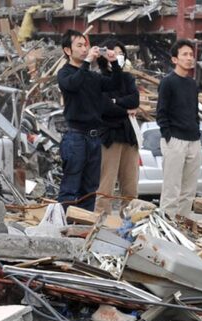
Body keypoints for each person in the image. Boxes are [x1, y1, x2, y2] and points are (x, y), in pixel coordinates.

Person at [57, 29, 121, 211]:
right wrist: (86, 63)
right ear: (67, 50)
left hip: (94, 137)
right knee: (71, 187)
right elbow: (74, 84)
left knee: (90, 189)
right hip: (75, 137)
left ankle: (83, 226)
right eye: (79, 45)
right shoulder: (65, 73)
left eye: (85, 45)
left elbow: (115, 84)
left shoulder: (92, 76)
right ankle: (64, 227)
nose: (84, 49)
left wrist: (114, 63)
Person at [156, 39, 201, 218]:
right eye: (185, 54)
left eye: (191, 55)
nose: (189, 58)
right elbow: (161, 113)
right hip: (174, 140)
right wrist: (168, 136)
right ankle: (167, 230)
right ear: (175, 59)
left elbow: (194, 112)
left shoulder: (192, 84)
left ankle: (182, 229)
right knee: (171, 190)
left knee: (189, 192)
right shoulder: (168, 82)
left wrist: (196, 133)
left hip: (193, 141)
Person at [94, 39, 140, 216]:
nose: (118, 56)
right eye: (114, 52)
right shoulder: (100, 79)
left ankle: (129, 221)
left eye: (121, 53)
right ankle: (101, 220)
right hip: (110, 135)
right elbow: (105, 108)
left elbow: (134, 100)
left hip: (129, 135)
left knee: (130, 185)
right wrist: (123, 107)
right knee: (106, 183)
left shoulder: (128, 78)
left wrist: (116, 102)